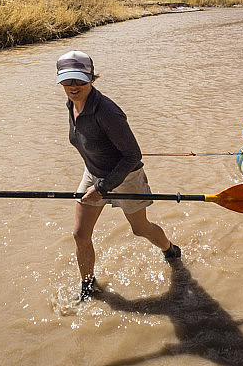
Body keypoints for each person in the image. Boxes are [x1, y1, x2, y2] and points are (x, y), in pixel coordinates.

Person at [56, 50, 181, 301]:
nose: (73, 86)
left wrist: (103, 188)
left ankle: (171, 251)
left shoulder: (108, 112)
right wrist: (97, 181)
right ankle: (88, 286)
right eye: (67, 80)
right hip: (93, 174)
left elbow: (132, 155)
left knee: (140, 229)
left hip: (125, 177)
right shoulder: (72, 104)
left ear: (91, 78)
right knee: (80, 234)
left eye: (80, 80)